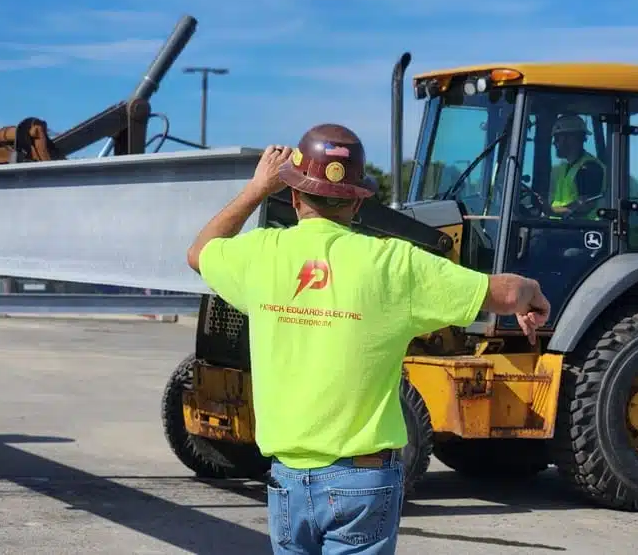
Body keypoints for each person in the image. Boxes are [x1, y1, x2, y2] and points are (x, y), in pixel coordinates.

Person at [186, 124, 550, 554]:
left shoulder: (261, 255)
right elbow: (502, 293)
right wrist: (533, 295)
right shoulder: (395, 264)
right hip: (362, 480)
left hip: (287, 480)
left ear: (295, 196)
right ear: (357, 202)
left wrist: (257, 188)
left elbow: (199, 251)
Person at [548, 114, 606, 219]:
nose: (554, 143)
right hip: (562, 228)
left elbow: (585, 206)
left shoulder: (589, 168)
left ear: (571, 138)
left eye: (557, 138)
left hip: (582, 230)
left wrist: (550, 211)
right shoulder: (566, 168)